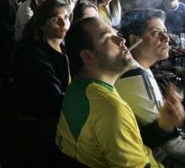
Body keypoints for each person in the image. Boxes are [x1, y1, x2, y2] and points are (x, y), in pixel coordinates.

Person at [56, 17, 165, 168]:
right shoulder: (110, 109)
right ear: (88, 56)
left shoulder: (79, 87)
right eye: (108, 37)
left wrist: (164, 126)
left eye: (116, 33)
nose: (121, 40)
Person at [116, 9, 185, 163]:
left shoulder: (135, 68)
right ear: (133, 39)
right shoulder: (135, 77)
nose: (166, 38)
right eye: (156, 32)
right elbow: (175, 149)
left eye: (165, 31)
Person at [13, 0, 71, 166]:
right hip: (38, 122)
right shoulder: (36, 55)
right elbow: (53, 99)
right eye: (56, 19)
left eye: (66, 17)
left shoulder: (63, 47)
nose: (64, 23)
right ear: (42, 25)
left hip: (55, 113)